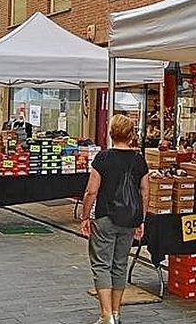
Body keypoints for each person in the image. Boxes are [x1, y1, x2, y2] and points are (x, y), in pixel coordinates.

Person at [80, 115, 149, 324]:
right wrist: (141, 219)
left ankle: (106, 314)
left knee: (101, 264)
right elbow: (145, 192)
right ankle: (117, 312)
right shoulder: (139, 159)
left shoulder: (102, 158)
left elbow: (91, 191)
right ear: (131, 135)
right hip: (129, 219)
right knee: (120, 264)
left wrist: (85, 216)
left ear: (111, 133)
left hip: (105, 217)